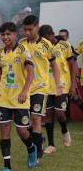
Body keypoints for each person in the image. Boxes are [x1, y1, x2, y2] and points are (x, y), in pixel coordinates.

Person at [0, 22, 37, 171]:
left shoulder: (23, 50)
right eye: (3, 34)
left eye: (8, 34)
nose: (6, 37)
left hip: (20, 98)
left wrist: (25, 91)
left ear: (15, 34)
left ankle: (31, 148)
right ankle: (7, 167)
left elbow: (31, 72)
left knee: (21, 131)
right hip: (4, 98)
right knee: (4, 131)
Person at [20, 15, 61, 160]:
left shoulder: (46, 44)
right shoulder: (21, 44)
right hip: (24, 88)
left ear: (37, 27)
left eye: (30, 29)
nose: (27, 33)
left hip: (40, 87)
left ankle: (36, 154)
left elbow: (54, 66)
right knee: (24, 124)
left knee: (36, 118)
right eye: (24, 30)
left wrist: (58, 84)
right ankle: (38, 140)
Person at [38, 26, 76, 153]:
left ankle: (64, 130)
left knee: (59, 112)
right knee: (48, 116)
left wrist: (73, 86)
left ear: (52, 34)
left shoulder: (65, 45)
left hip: (62, 86)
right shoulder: (43, 47)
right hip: (47, 87)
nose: (45, 41)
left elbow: (73, 65)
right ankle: (51, 145)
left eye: (46, 38)